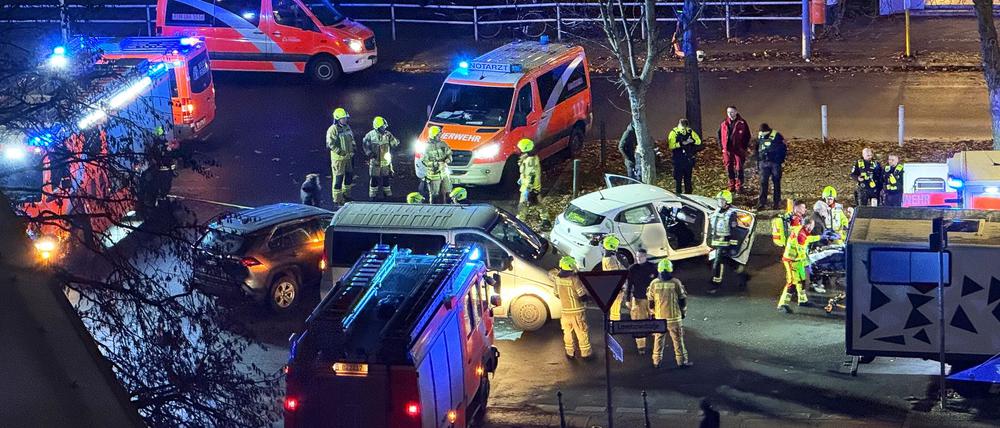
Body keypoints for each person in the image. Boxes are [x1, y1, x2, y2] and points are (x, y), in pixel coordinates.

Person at [647, 258, 692, 369]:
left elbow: (651, 302)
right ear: (670, 269)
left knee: (658, 341)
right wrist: (683, 312)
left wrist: (653, 314)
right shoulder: (675, 282)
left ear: (659, 269)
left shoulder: (654, 283)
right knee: (678, 341)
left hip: (660, 319)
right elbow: (682, 299)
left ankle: (656, 362)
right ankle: (681, 361)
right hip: (674, 319)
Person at [550, 256, 593, 360]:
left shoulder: (557, 279)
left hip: (565, 312)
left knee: (567, 333)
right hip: (577, 312)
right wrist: (589, 298)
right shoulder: (574, 279)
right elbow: (582, 295)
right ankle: (585, 353)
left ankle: (570, 352)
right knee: (581, 332)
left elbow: (556, 293)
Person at [708, 190, 747, 293]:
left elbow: (734, 230)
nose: (720, 202)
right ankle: (741, 273)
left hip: (725, 241)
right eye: (719, 200)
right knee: (726, 261)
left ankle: (715, 284)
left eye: (722, 200)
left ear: (727, 201)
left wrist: (733, 244)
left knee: (717, 262)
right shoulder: (716, 211)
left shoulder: (731, 214)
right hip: (716, 241)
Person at [779, 218, 816, 313]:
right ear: (808, 225)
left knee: (801, 280)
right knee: (791, 282)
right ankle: (783, 304)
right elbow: (802, 252)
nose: (813, 227)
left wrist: (820, 237)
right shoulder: (801, 235)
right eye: (812, 225)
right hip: (791, 261)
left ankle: (802, 300)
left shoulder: (801, 230)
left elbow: (808, 239)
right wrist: (808, 264)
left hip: (797, 261)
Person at [626, 248, 657, 354]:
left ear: (645, 256)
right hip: (638, 299)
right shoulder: (632, 269)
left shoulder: (652, 268)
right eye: (637, 256)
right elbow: (629, 284)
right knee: (638, 323)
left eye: (641, 256)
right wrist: (627, 299)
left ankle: (656, 343)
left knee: (655, 320)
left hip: (652, 299)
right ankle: (641, 346)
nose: (638, 258)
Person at [362, 116, 399, 199]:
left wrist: (396, 142)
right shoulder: (370, 135)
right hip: (375, 162)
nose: (384, 128)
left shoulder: (388, 134)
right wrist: (369, 153)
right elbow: (365, 144)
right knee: (374, 179)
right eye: (382, 127)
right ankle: (373, 196)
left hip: (385, 162)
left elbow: (394, 143)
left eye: (384, 126)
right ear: (377, 127)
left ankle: (387, 194)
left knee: (386, 179)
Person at [326, 107, 356, 205]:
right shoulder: (333, 129)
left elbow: (352, 139)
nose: (345, 120)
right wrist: (341, 152)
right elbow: (330, 144)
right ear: (338, 119)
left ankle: (346, 195)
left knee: (349, 177)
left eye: (345, 118)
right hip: (338, 159)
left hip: (348, 158)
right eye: (343, 118)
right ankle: (337, 200)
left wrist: (354, 147)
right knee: (338, 179)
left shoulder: (347, 127)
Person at [717, 106, 751, 192]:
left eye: (732, 112)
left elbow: (747, 136)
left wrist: (743, 147)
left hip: (738, 150)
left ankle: (739, 186)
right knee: (729, 167)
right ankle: (731, 185)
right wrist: (722, 147)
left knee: (739, 167)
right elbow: (719, 135)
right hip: (727, 150)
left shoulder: (742, 123)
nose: (730, 114)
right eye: (728, 112)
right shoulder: (724, 123)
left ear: (736, 112)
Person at [754, 123, 787, 210]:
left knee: (776, 183)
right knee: (763, 183)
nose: (761, 134)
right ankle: (762, 203)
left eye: (763, 132)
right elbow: (757, 149)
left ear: (767, 131)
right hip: (763, 163)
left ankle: (777, 203)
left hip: (775, 163)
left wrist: (780, 160)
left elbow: (783, 149)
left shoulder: (777, 136)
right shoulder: (760, 136)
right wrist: (758, 161)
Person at [667, 118, 702, 194]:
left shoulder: (690, 131)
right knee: (678, 179)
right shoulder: (674, 133)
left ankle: (689, 194)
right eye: (682, 129)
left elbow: (699, 141)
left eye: (684, 128)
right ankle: (678, 194)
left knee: (688, 179)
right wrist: (682, 143)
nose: (683, 130)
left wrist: (693, 141)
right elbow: (671, 145)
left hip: (688, 159)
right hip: (678, 159)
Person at [422, 126, 452, 204]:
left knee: (448, 192)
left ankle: (447, 207)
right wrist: (436, 164)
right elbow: (424, 161)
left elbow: (449, 154)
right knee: (434, 195)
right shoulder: (426, 147)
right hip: (433, 174)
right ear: (434, 135)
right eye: (438, 135)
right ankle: (433, 208)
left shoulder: (443, 144)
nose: (440, 136)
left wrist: (448, 159)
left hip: (444, 173)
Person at [601, 235, 629, 321]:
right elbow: (615, 276)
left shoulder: (608, 258)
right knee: (615, 311)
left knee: (615, 308)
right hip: (616, 289)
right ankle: (614, 324)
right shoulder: (610, 261)